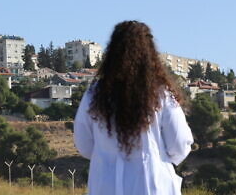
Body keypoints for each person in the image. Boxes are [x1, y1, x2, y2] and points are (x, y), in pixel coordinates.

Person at [74, 21, 193, 195]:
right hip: (152, 186)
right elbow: (180, 143)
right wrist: (158, 159)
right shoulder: (161, 94)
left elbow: (83, 143)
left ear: (112, 52)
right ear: (149, 53)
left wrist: (107, 158)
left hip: (105, 186)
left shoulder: (94, 94)